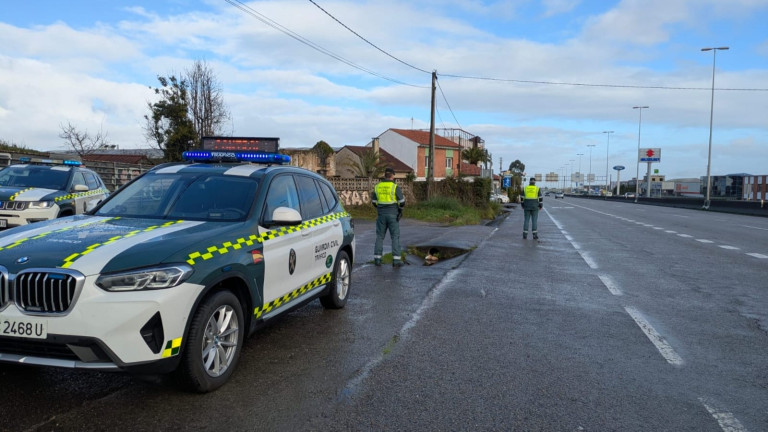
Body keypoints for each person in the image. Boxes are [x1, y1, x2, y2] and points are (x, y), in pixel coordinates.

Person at [372, 167, 405, 267]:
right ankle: (396, 261)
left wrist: (381, 208)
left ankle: (377, 260)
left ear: (385, 175)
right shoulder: (394, 187)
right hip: (393, 215)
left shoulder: (377, 186)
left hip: (381, 215)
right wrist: (399, 210)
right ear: (392, 176)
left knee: (380, 237)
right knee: (395, 237)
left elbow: (374, 202)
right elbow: (402, 202)